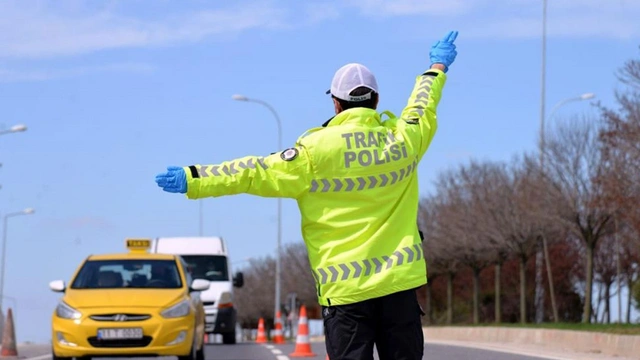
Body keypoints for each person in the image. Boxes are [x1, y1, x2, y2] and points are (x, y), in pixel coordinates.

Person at [154, 30, 459, 360]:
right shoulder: (403, 142)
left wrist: (195, 178)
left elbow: (251, 172)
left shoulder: (313, 153)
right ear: (376, 100)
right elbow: (421, 106)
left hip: (346, 295)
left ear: (336, 103)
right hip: (399, 289)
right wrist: (436, 66)